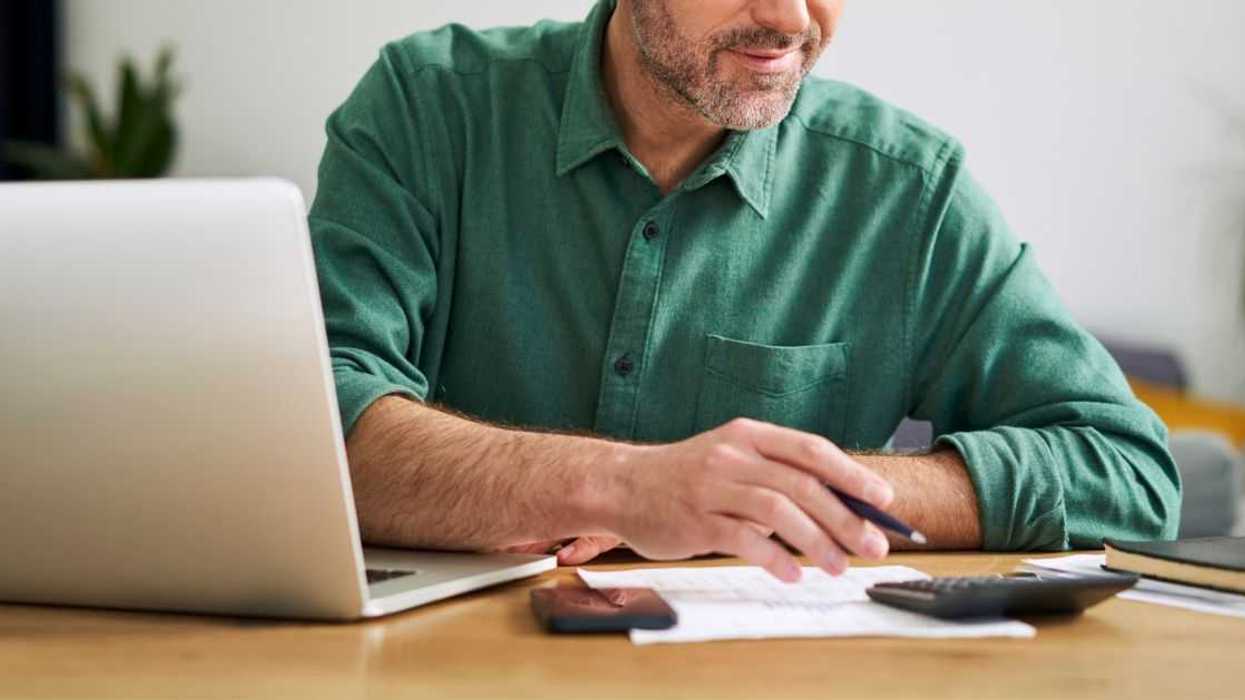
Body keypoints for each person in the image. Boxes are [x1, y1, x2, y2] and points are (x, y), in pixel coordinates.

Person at [308, 0, 1180, 582]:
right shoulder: (424, 110)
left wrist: (797, 495)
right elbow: (311, 430)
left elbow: (1127, 471)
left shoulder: (905, 189)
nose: (789, 19)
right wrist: (622, 486)